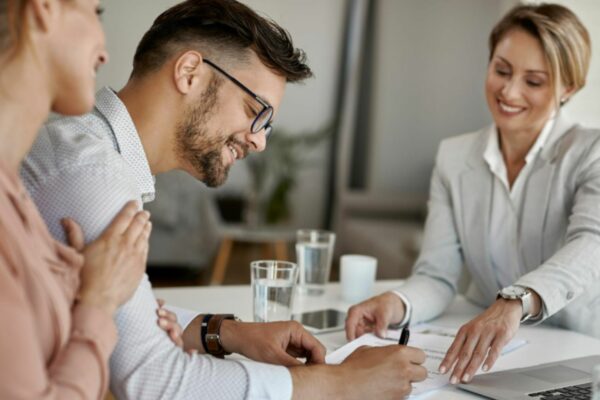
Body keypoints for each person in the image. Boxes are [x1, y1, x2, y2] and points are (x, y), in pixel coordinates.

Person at [22, 0, 427, 398]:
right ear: (189, 72)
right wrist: (339, 383)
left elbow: (129, 314)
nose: (259, 140)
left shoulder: (90, 152)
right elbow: (153, 379)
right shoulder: (94, 176)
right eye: (256, 110)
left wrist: (225, 332)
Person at [346, 1, 600, 387]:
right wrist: (395, 302)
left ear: (568, 87)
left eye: (534, 81)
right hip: (495, 358)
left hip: (584, 350)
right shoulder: (454, 157)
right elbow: (437, 274)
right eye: (501, 70)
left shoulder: (590, 151)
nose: (509, 91)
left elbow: (592, 242)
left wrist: (515, 300)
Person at [0, 0, 153, 398]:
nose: (105, 51)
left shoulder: (14, 195)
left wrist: (83, 288)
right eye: (96, 13)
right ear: (44, 7)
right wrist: (99, 306)